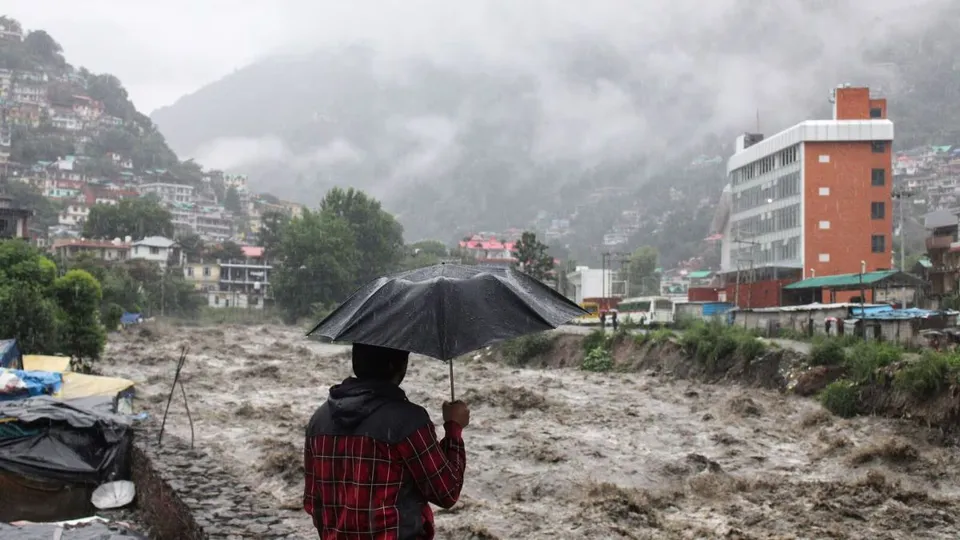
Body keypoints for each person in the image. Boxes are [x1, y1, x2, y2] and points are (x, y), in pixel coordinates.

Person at [304, 343, 469, 540]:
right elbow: (446, 491)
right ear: (396, 365)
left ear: (356, 361)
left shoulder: (319, 420)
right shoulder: (408, 421)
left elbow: (313, 502)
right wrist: (453, 429)